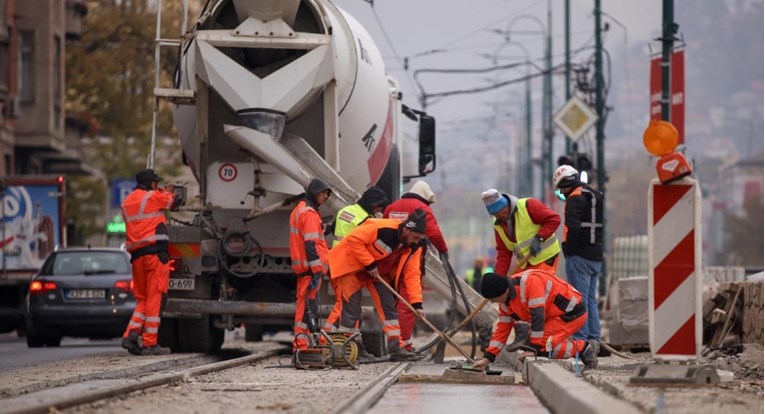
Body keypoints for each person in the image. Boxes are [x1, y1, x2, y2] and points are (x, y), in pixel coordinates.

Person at [328, 210, 429, 362]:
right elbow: (354, 239)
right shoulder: (381, 228)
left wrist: (417, 304)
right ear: (406, 229)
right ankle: (345, 347)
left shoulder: (415, 246)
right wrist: (369, 264)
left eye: (419, 238)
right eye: (415, 237)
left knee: (388, 305)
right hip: (351, 267)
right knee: (351, 309)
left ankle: (396, 347)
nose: (416, 241)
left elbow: (412, 276)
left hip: (376, 273)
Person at [472, 271, 599, 370]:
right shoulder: (505, 304)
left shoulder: (530, 283)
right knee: (537, 346)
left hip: (571, 313)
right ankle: (582, 347)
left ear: (501, 292)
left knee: (543, 348)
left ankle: (584, 348)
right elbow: (501, 331)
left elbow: (537, 316)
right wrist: (488, 357)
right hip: (554, 317)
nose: (493, 302)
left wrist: (534, 348)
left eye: (493, 298)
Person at [383, 180, 447, 352]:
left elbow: (383, 228)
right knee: (409, 300)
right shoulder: (422, 208)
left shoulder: (392, 206)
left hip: (387, 262)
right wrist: (443, 250)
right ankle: (403, 342)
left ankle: (394, 342)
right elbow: (433, 231)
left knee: (390, 302)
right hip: (408, 259)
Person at [121, 169, 177, 356]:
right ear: (152, 184)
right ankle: (151, 343)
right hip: (155, 256)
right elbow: (173, 202)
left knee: (143, 299)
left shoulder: (126, 202)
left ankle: (130, 335)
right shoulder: (152, 197)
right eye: (156, 183)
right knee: (155, 298)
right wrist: (167, 191)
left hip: (137, 257)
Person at [552, 165, 604, 344]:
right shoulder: (595, 195)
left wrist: (569, 250)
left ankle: (581, 339)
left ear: (565, 184)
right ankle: (594, 339)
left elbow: (573, 228)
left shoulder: (574, 198)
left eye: (560, 189)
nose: (561, 193)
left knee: (579, 299)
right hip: (596, 255)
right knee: (590, 299)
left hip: (579, 256)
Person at [289, 178, 332, 353]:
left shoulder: (301, 210)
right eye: (324, 193)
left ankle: (302, 345)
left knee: (306, 308)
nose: (326, 197)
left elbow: (311, 237)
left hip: (306, 270)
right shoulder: (309, 213)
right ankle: (301, 347)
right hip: (309, 270)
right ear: (315, 193)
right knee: (306, 309)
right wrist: (316, 271)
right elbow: (311, 244)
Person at [481, 188, 561, 275]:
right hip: (525, 264)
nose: (499, 216)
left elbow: (554, 219)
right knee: (518, 286)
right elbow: (504, 254)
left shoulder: (528, 205)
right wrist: (497, 278)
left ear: (505, 205)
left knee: (537, 286)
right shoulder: (498, 224)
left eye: (500, 212)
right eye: (495, 214)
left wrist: (539, 238)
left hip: (546, 257)